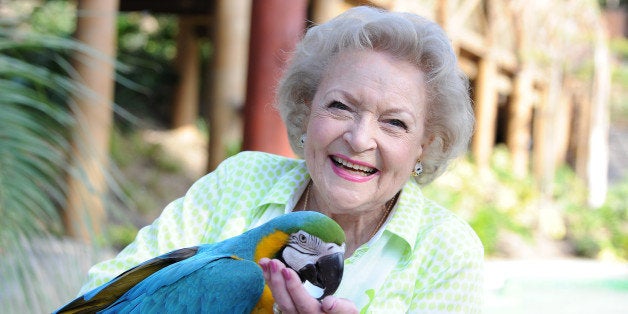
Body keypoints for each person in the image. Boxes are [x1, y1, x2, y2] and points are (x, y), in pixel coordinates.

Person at [79, 6, 483, 313]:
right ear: (306, 111)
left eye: (394, 122)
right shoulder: (240, 181)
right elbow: (105, 288)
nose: (360, 139)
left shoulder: (446, 250)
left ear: (425, 147)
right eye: (340, 106)